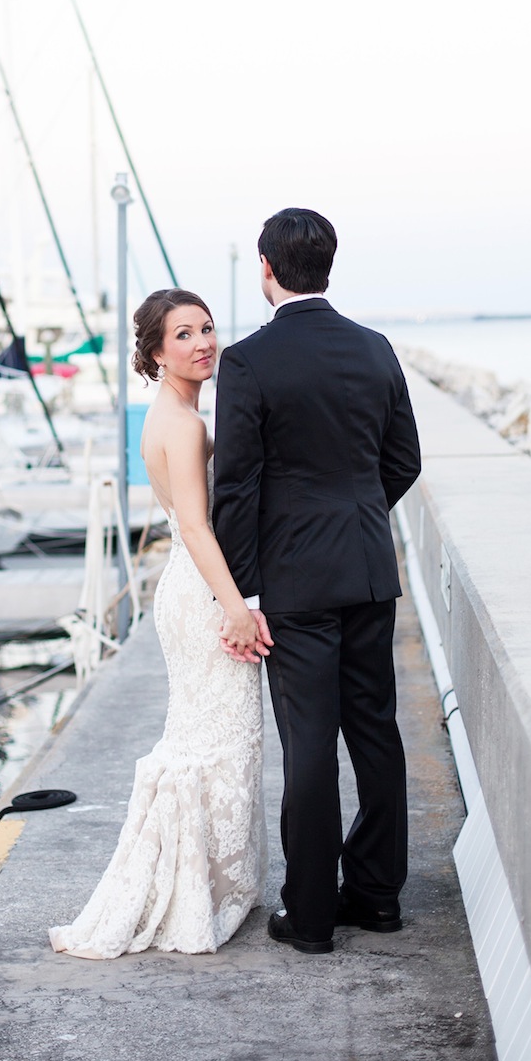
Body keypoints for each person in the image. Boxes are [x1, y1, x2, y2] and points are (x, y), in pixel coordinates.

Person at [213, 208, 421, 955]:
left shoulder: (246, 362)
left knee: (309, 743)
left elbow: (235, 488)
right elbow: (403, 462)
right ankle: (377, 898)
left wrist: (243, 591)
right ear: (327, 267)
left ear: (264, 268)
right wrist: (357, 519)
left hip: (295, 582)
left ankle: (308, 916)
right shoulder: (374, 348)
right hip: (366, 569)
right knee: (375, 731)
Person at [49, 289, 269, 959]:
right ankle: (191, 896)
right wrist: (235, 606)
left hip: (187, 585)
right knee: (218, 741)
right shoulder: (184, 423)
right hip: (203, 592)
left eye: (206, 329)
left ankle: (203, 884)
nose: (202, 343)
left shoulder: (171, 410)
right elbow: (199, 528)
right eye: (183, 335)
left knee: (207, 736)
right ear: (153, 352)